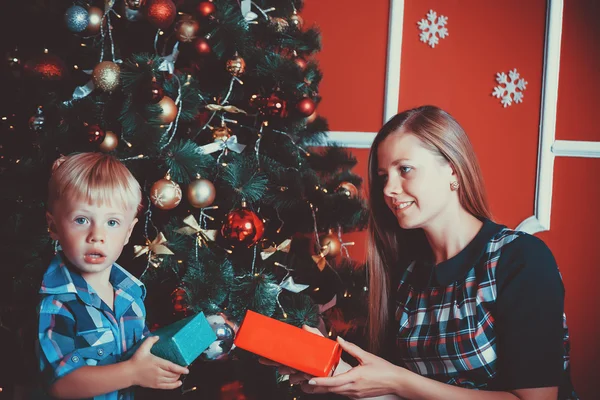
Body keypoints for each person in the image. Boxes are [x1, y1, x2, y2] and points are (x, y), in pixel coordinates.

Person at [264, 106, 577, 399]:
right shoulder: (409, 275)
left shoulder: (521, 260)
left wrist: (399, 379)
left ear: (453, 172)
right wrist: (337, 375)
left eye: (406, 169)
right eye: (384, 176)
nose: (388, 189)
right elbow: (397, 393)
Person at [38, 152, 189, 399]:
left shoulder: (131, 293)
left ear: (128, 232)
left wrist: (161, 365)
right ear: (54, 226)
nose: (97, 235)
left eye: (112, 222)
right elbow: (61, 385)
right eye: (82, 219)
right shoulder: (58, 303)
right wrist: (132, 373)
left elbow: (141, 353)